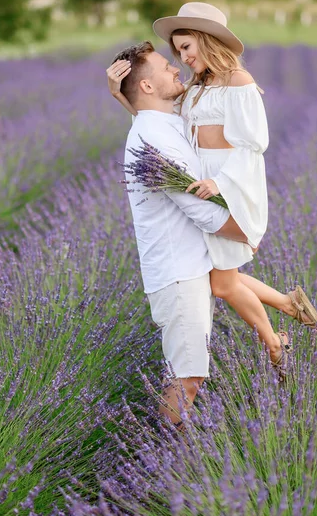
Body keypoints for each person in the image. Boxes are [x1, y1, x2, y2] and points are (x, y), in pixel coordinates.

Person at [107, 3, 317, 386]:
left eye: (188, 46)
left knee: (222, 283)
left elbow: (253, 145)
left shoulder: (239, 82)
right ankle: (288, 311)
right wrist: (118, 93)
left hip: (231, 187)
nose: (183, 58)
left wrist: (221, 185)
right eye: (178, 51)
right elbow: (151, 113)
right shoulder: (195, 87)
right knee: (221, 277)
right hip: (205, 187)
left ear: (209, 41)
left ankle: (277, 342)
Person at [111, 41, 277, 428]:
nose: (175, 68)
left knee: (188, 373)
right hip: (178, 273)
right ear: (148, 87)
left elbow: (153, 113)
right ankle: (165, 467)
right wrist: (247, 233)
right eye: (164, 65)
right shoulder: (155, 138)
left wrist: (120, 94)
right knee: (187, 379)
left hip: (187, 267)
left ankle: (283, 317)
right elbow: (199, 210)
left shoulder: (161, 123)